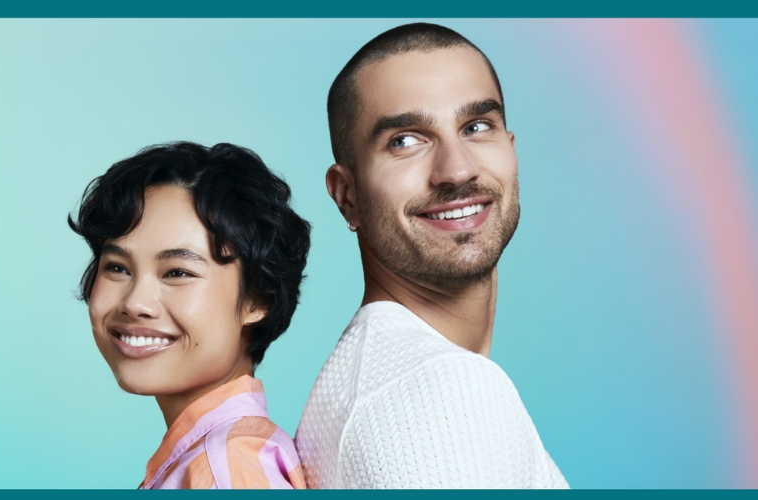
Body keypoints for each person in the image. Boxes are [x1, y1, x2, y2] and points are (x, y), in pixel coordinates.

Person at [295, 23, 568, 488]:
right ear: (347, 196)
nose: (457, 169)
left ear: (511, 150)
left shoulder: (375, 375)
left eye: (477, 127)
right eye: (405, 140)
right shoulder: (437, 392)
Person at [69, 142, 310, 489]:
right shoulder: (208, 457)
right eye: (118, 267)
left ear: (258, 299)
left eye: (177, 272)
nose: (136, 303)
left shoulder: (223, 469)